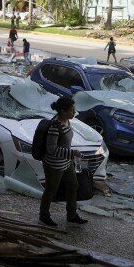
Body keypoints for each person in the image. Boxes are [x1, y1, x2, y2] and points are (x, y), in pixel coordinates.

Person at [39, 97, 88, 226]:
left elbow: (64, 143)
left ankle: (71, 215)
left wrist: (71, 155)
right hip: (54, 164)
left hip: (66, 162)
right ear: (62, 111)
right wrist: (72, 153)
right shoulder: (55, 126)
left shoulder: (67, 121)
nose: (74, 112)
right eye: (71, 110)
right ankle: (44, 216)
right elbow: (51, 149)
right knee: (51, 190)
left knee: (73, 185)